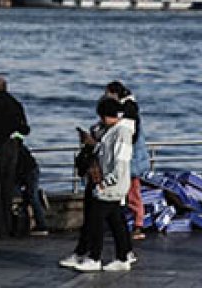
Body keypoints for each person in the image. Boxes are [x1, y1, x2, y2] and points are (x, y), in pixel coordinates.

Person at [61, 97, 134, 273]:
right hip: (112, 185)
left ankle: (95, 257)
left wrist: (104, 182)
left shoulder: (121, 133)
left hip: (110, 186)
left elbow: (120, 163)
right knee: (116, 221)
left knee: (96, 221)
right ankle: (123, 257)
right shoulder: (113, 130)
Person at [0, 75, 30, 238]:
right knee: (8, 188)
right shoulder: (15, 103)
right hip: (13, 147)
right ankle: (8, 226)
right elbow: (24, 128)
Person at [106, 81, 148, 240]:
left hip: (131, 159)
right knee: (130, 192)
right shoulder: (130, 107)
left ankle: (138, 224)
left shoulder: (128, 109)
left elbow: (131, 134)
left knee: (133, 192)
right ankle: (133, 223)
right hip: (131, 158)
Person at [16, 138, 49, 236]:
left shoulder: (16, 150)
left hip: (28, 172)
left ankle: (42, 225)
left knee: (32, 196)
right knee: (29, 195)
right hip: (29, 170)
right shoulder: (19, 146)